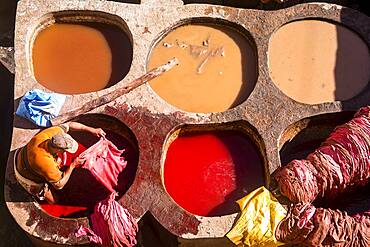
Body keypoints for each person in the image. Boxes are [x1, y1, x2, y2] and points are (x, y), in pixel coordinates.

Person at [14, 121, 106, 204]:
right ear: (58, 149)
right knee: (54, 201)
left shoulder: (51, 134)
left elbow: (70, 125)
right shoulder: (45, 163)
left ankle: (49, 174)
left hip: (24, 153)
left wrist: (92, 130)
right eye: (66, 150)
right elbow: (59, 185)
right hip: (24, 172)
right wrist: (73, 165)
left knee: (58, 162)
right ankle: (41, 192)